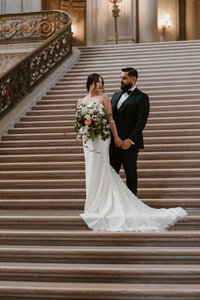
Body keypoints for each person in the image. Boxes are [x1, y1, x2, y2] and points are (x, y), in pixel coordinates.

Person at [76, 73, 187, 232]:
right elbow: (78, 122)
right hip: (88, 141)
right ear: (90, 83)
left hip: (101, 138)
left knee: (102, 168)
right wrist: (83, 132)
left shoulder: (105, 98)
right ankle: (93, 203)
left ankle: (104, 203)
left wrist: (116, 137)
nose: (101, 85)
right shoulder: (80, 101)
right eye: (98, 82)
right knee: (91, 170)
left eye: (102, 82)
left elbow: (110, 120)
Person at [110, 67, 149, 195]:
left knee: (130, 175)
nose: (121, 80)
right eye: (121, 77)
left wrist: (130, 140)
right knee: (111, 175)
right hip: (113, 143)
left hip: (130, 144)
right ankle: (114, 203)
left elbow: (141, 122)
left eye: (124, 78)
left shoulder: (142, 97)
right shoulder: (116, 95)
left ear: (133, 79)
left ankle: (132, 205)